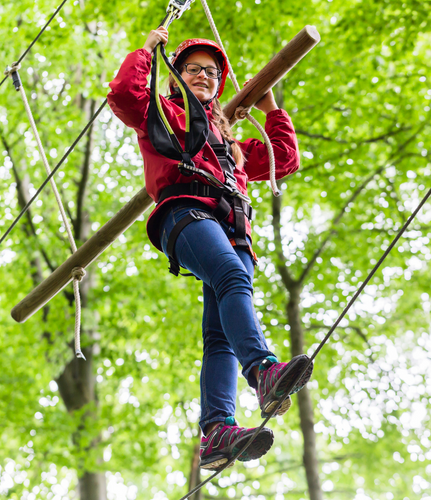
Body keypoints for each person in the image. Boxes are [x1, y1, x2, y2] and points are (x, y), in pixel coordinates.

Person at [107, 26, 313, 471]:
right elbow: (124, 95)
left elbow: (285, 157)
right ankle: (262, 371)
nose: (204, 76)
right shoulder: (161, 112)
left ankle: (217, 430)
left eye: (212, 72)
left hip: (233, 229)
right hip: (185, 213)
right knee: (232, 278)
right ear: (176, 75)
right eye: (193, 69)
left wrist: (269, 105)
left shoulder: (230, 142)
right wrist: (147, 51)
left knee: (220, 334)